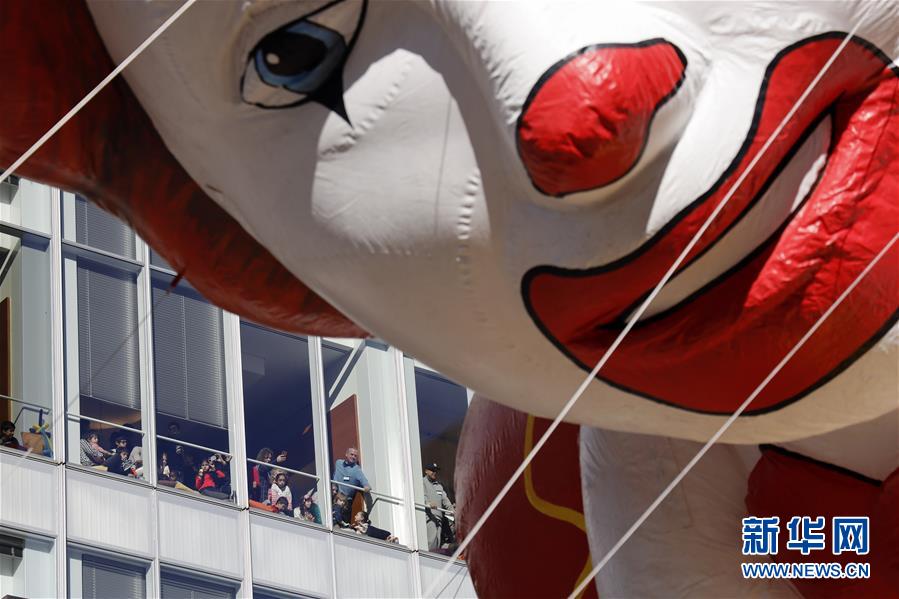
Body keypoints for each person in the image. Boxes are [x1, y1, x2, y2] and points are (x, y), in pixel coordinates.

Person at [422, 462, 454, 551]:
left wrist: (452, 510)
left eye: (435, 471)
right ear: (426, 471)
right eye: (432, 470)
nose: (434, 472)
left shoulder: (439, 486)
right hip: (429, 516)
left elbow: (445, 500)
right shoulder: (422, 482)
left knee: (437, 541)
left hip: (439, 518)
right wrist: (428, 503)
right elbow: (422, 496)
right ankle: (428, 557)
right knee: (431, 540)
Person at [333, 447, 370, 520]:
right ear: (346, 454)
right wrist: (333, 486)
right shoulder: (338, 463)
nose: (353, 457)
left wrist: (366, 487)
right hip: (335, 496)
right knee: (332, 519)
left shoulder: (357, 469)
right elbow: (335, 475)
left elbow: (365, 482)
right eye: (351, 454)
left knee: (344, 522)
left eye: (355, 456)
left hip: (346, 501)